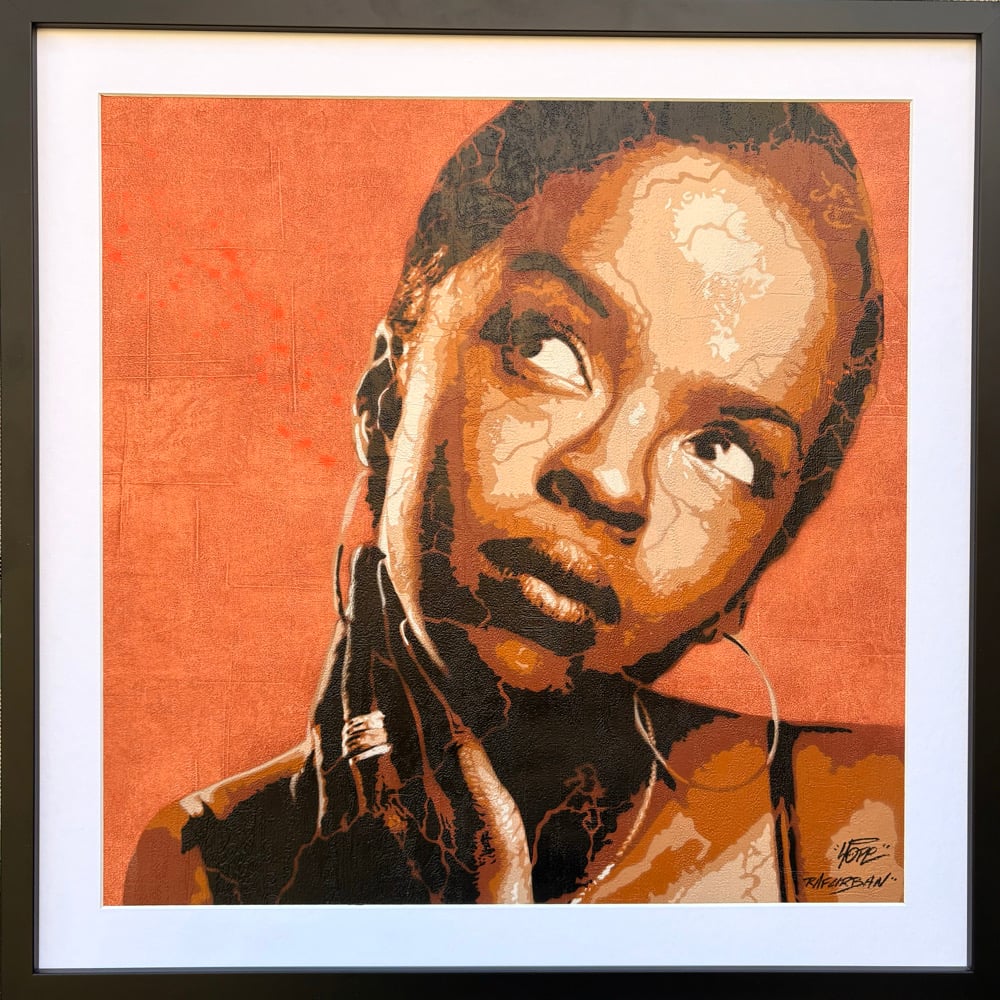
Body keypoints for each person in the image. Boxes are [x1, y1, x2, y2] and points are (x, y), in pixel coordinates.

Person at [123, 100, 903, 905]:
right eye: (548, 348)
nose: (611, 483)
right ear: (387, 389)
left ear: (755, 568)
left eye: (722, 450)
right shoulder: (210, 865)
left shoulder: (885, 824)